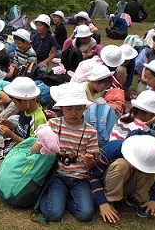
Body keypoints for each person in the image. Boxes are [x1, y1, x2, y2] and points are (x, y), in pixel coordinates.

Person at [38, 83, 99, 222]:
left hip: (80, 179)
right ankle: (44, 198)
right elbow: (36, 148)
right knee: (53, 214)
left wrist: (90, 161)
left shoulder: (90, 132)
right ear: (61, 108)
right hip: (58, 176)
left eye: (78, 108)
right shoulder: (53, 125)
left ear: (84, 108)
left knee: (86, 214)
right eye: (69, 108)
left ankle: (61, 201)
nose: (73, 113)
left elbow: (90, 165)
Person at [90, 135, 155, 223]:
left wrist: (154, 199)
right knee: (121, 165)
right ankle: (110, 198)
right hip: (111, 181)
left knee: (152, 173)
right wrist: (102, 202)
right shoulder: (112, 151)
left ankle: (136, 198)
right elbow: (93, 176)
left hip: (130, 182)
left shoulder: (154, 157)